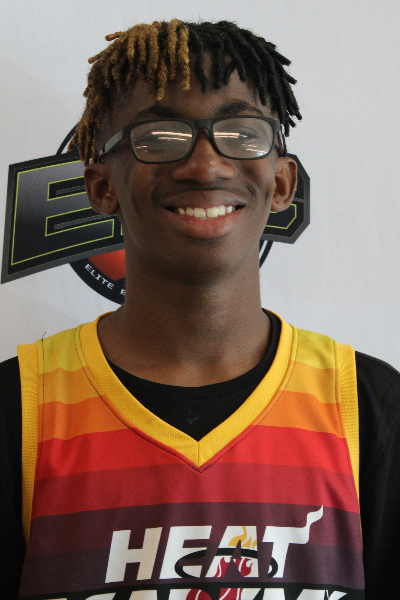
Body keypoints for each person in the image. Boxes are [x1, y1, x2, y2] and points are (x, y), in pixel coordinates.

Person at [0, 19, 399, 600]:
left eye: (242, 133)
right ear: (101, 187)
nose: (206, 165)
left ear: (283, 183)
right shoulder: (19, 411)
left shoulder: (369, 408)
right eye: (160, 137)